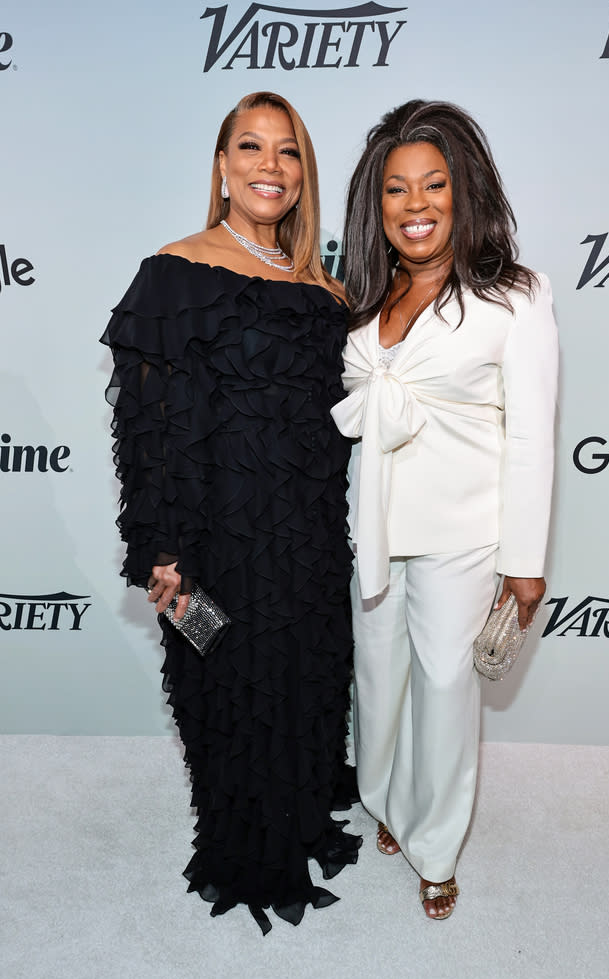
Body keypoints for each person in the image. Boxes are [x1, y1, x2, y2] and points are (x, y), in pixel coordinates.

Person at [102, 92, 361, 935]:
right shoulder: (173, 271)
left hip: (311, 531)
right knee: (230, 686)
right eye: (250, 147)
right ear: (220, 166)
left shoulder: (322, 287)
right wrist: (161, 549)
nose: (269, 167)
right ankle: (246, 847)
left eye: (287, 153)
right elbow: (149, 426)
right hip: (219, 530)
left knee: (305, 679)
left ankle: (296, 816)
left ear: (303, 174)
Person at [331, 100, 559, 920]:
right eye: (396, 189)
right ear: (376, 203)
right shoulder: (364, 293)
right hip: (374, 526)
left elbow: (533, 436)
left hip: (463, 532)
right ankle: (388, 800)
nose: (415, 204)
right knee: (378, 677)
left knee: (443, 687)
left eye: (433, 185)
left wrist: (523, 562)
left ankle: (435, 845)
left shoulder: (514, 297)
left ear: (462, 193)